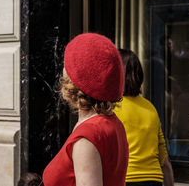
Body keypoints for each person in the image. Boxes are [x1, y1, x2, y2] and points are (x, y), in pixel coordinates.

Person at [42, 33, 129, 186]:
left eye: (67, 64)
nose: (63, 69)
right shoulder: (111, 124)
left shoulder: (88, 137)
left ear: (77, 79)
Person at [114, 49, 174, 186]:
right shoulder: (150, 108)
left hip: (124, 179)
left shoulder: (110, 108)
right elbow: (164, 161)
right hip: (154, 180)